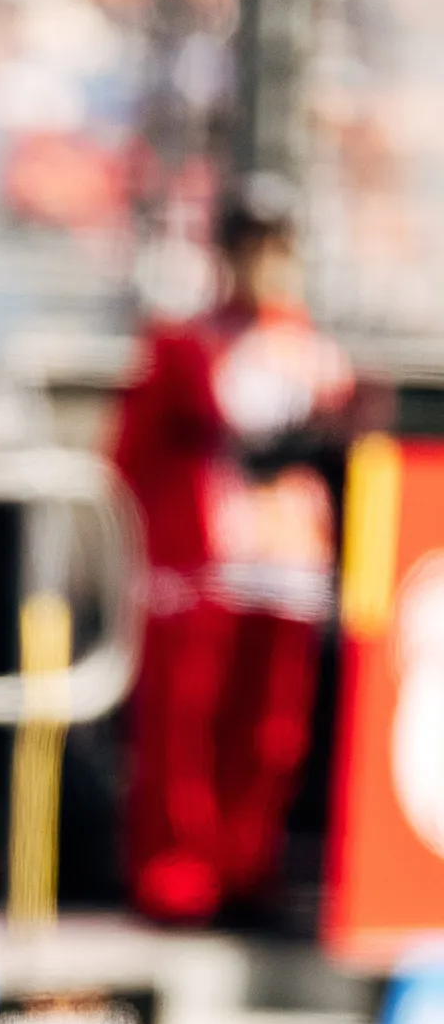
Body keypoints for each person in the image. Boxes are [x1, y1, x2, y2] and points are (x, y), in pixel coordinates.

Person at [113, 176, 353, 925]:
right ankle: (179, 874)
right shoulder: (185, 345)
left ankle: (250, 867)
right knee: (187, 725)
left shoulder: (316, 353)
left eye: (276, 248)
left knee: (272, 730)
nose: (263, 265)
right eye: (249, 248)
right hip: (206, 564)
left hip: (287, 564)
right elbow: (133, 454)